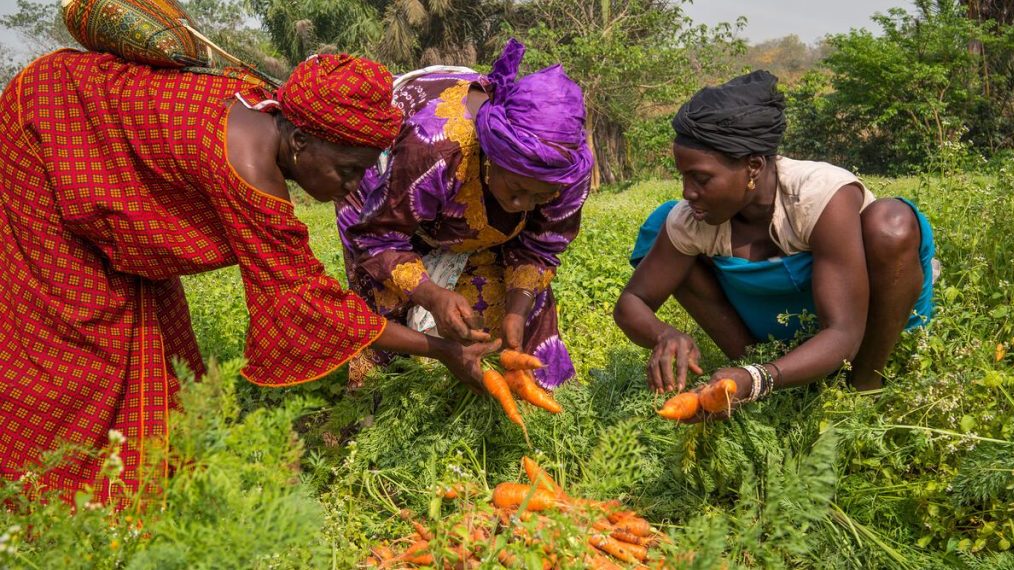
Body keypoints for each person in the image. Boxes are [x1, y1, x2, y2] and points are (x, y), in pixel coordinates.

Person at [0, 49, 496, 503]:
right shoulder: (248, 171)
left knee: (162, 335)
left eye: (364, 172)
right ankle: (45, 496)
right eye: (346, 171)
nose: (352, 187)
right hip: (46, 134)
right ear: (301, 140)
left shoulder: (269, 115)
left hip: (83, 122)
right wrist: (441, 350)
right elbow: (306, 305)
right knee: (80, 335)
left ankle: (154, 480)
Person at [614, 71, 936, 412]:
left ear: (753, 166)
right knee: (662, 224)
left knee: (891, 223)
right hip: (777, 324)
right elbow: (632, 301)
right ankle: (757, 368)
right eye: (683, 176)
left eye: (701, 178)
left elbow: (844, 332)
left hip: (861, 325)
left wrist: (757, 379)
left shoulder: (819, 194)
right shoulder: (693, 218)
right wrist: (664, 334)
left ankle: (864, 387)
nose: (687, 191)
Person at [337, 39, 593, 388]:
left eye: (541, 195)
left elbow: (539, 248)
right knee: (388, 308)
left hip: (456, 199)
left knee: (510, 319)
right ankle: (385, 401)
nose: (524, 206)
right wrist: (432, 295)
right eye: (516, 190)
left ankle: (515, 395)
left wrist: (517, 309)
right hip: (385, 194)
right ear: (490, 157)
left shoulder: (568, 172)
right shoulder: (435, 148)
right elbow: (378, 239)